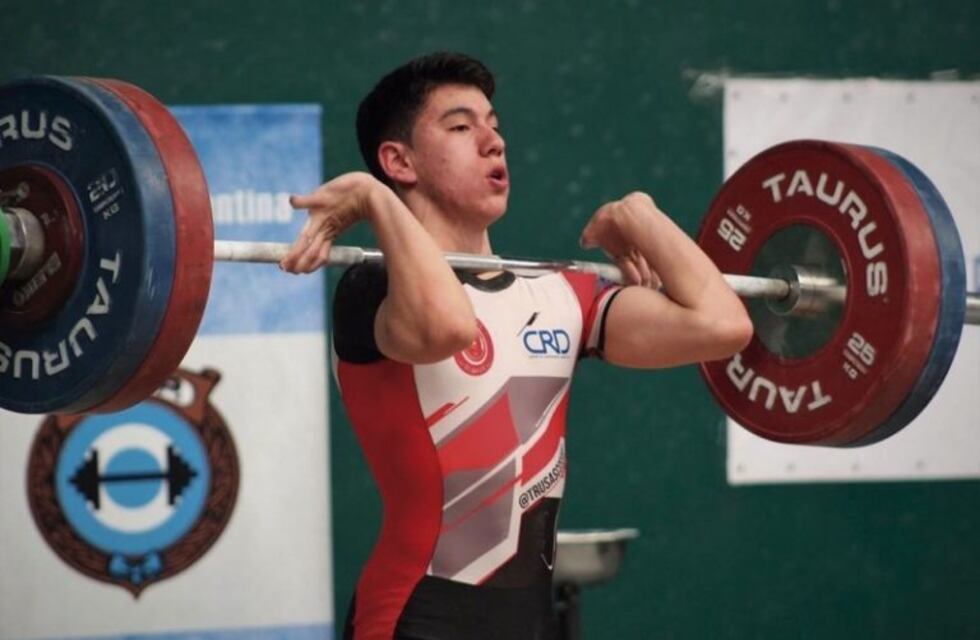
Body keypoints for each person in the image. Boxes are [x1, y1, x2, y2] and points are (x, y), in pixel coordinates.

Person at [281, 52, 752, 640]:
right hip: (416, 616)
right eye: (460, 127)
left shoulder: (558, 294)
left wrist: (640, 215)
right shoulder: (372, 287)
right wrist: (377, 203)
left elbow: (722, 326)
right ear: (398, 161)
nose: (492, 142)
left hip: (527, 621)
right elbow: (449, 328)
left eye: (494, 126)